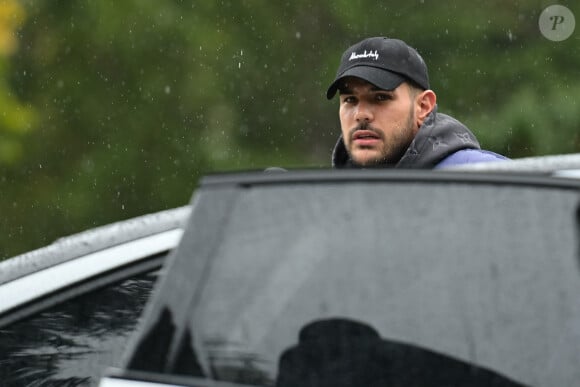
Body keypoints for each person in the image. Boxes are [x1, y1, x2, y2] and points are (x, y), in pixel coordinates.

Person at [326, 37, 509, 169]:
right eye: (350, 100)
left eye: (380, 97)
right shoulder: (329, 197)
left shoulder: (485, 178)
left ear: (423, 107)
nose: (361, 114)